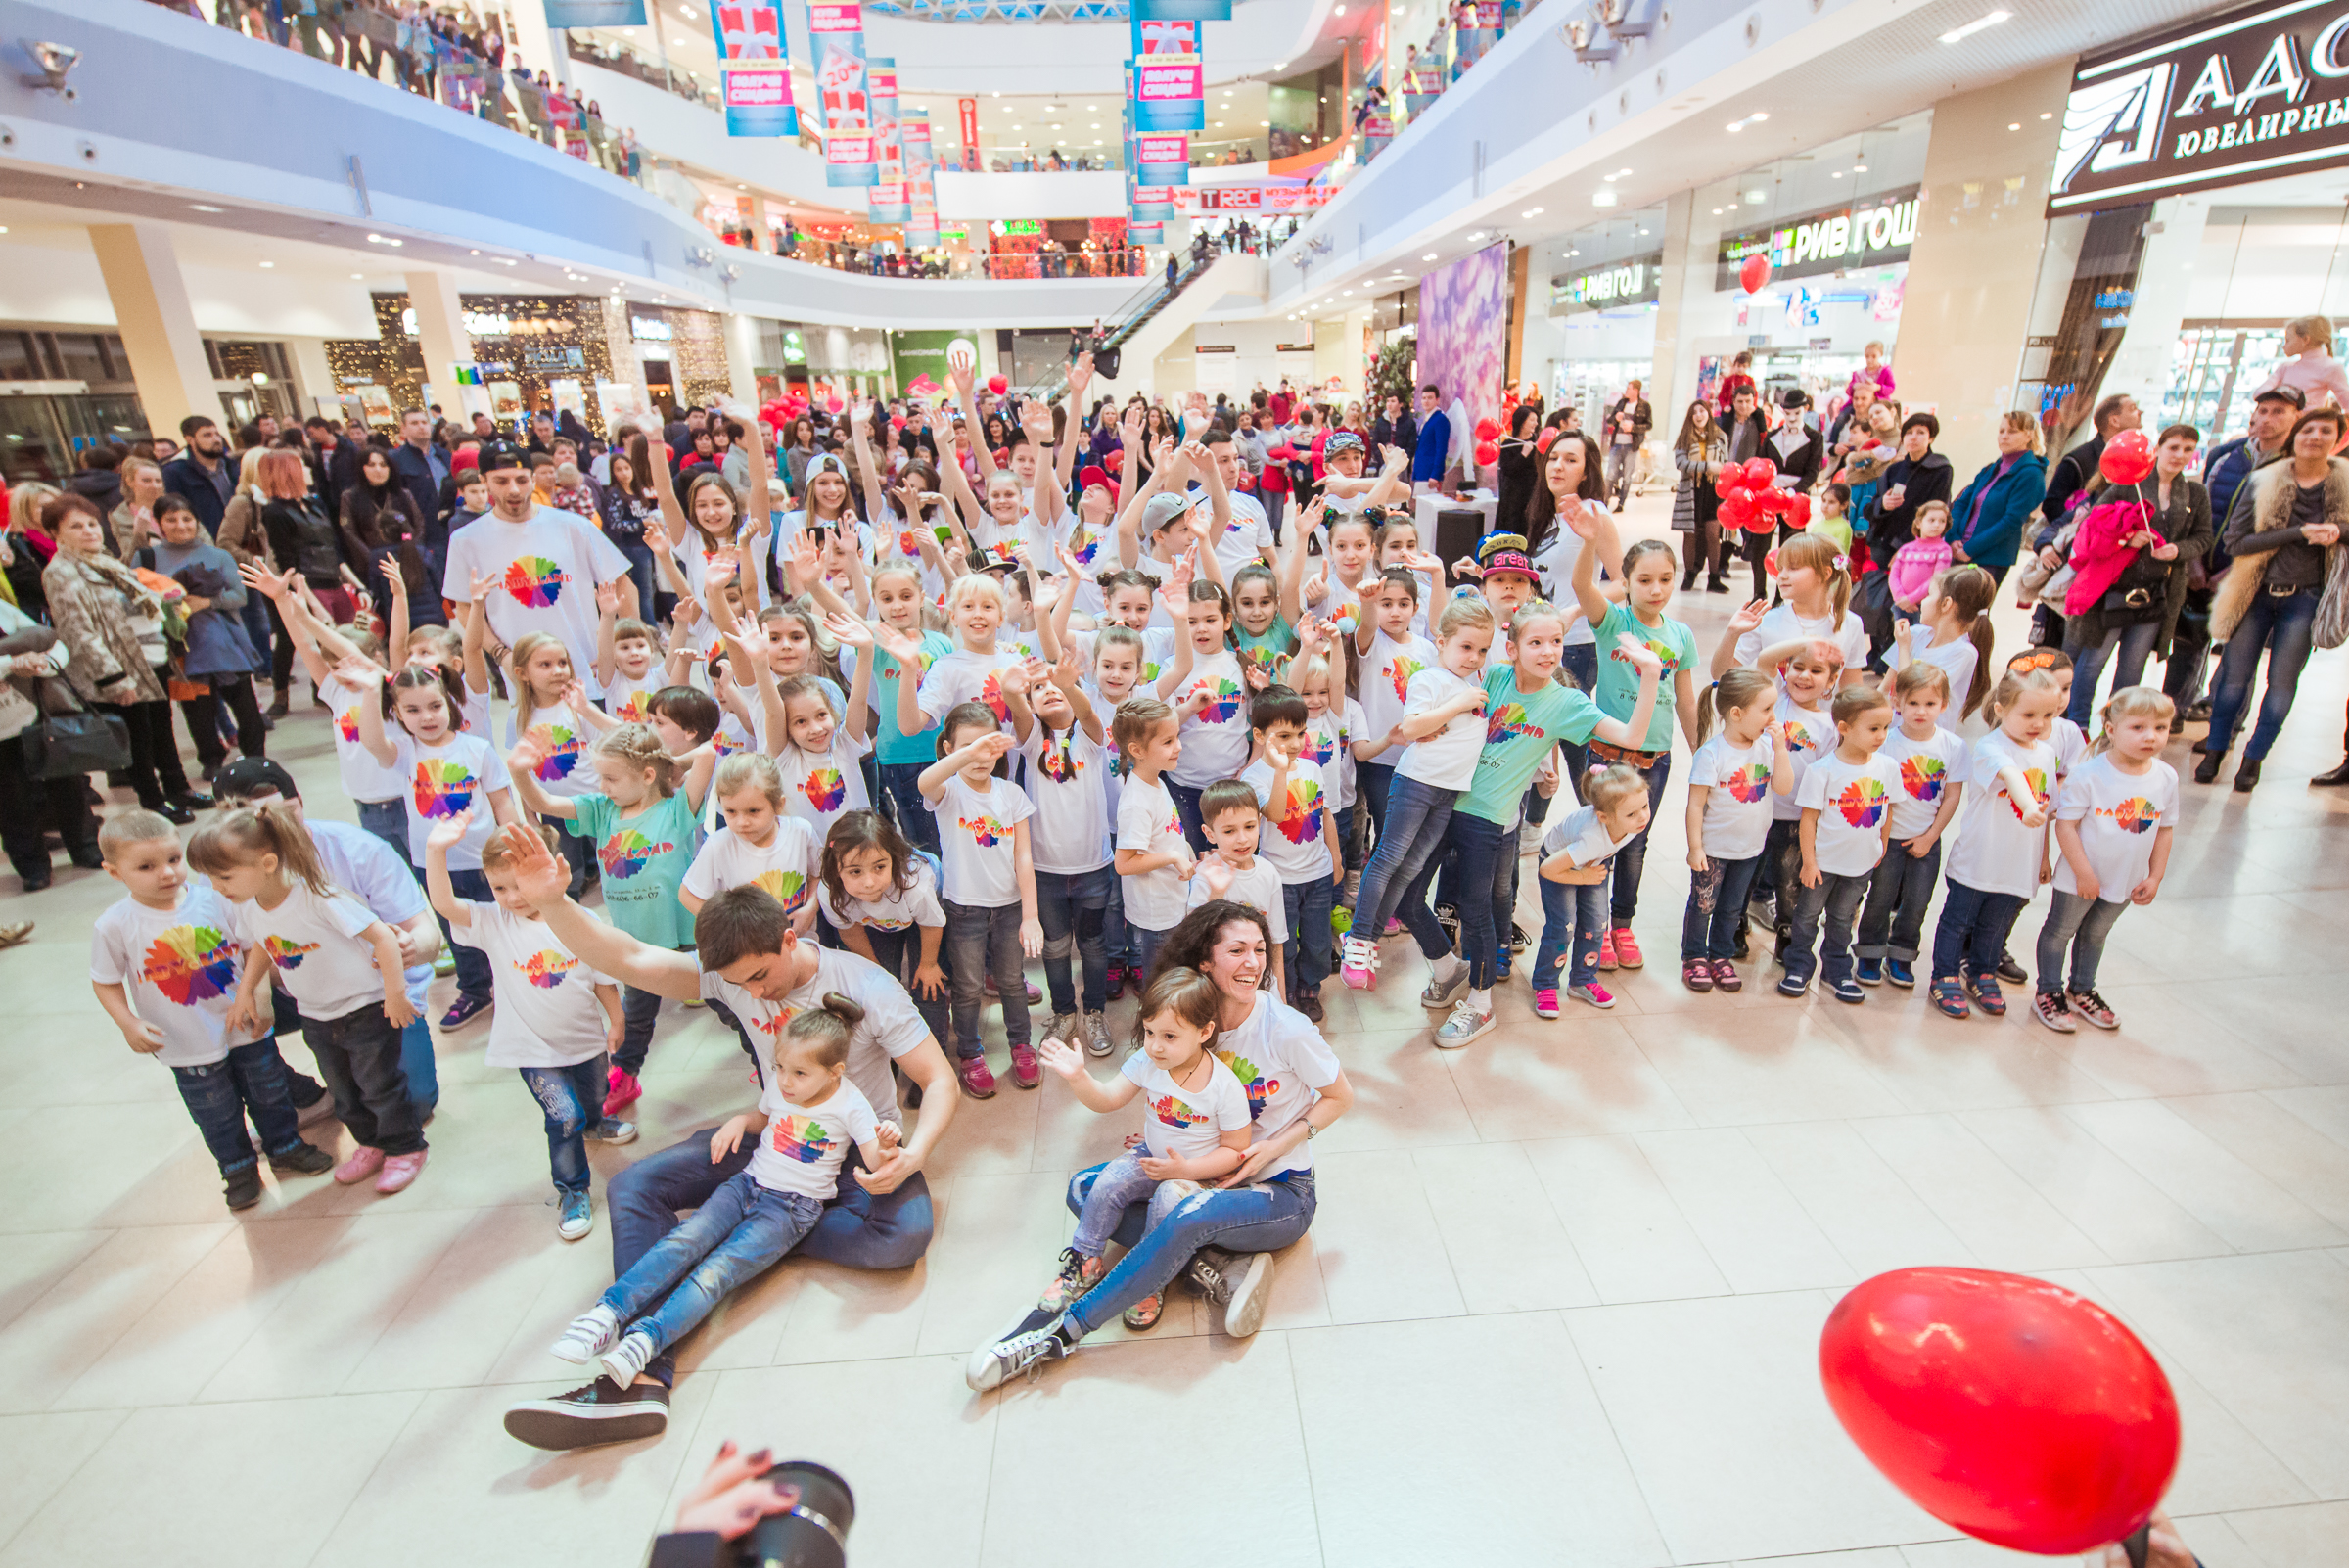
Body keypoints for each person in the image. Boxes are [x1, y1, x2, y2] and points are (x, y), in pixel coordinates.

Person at [495, 828, 956, 1450]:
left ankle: (759, 1238)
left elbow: (938, 1079)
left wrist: (916, 1154)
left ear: (789, 938)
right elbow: (628, 957)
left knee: (904, 1236)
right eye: (742, 984)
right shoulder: (729, 978)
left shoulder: (867, 986)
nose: (755, 993)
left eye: (762, 976)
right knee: (633, 1187)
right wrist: (554, 902)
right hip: (772, 1140)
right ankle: (643, 1376)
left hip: (855, 1145)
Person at [967, 899, 1352, 1390]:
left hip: (1280, 1189)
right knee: (1087, 1190)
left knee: (1182, 1215)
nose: (1253, 962)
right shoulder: (1184, 1022)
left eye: (1259, 949)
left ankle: (1063, 1333)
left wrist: (1275, 1147)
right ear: (1206, 962)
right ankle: (1217, 1262)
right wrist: (1174, 1134)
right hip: (1201, 1171)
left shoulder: (1287, 1030)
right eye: (1237, 950)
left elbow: (1341, 1097)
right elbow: (1150, 1094)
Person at [547, 993, 887, 1388]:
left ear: (834, 1072)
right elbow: (764, 1117)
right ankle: (606, 1314)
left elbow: (875, 1159)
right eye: (779, 1068)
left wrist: (887, 1144)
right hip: (746, 1184)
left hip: (792, 1209)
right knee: (685, 1240)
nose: (785, 1081)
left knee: (715, 1272)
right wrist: (739, 1121)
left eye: (799, 1073)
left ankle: (646, 1340)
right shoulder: (783, 1088)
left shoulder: (851, 1104)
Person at [90, 808, 337, 1211]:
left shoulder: (217, 900)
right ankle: (238, 1169)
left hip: (245, 1026)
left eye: (173, 859)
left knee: (270, 1092)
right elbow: (105, 980)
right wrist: (128, 1022)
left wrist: (256, 996)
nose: (167, 873)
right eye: (146, 867)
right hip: (185, 1041)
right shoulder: (114, 925)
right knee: (215, 1111)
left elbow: (253, 948)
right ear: (115, 873)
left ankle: (286, 1145)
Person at [193, 805, 429, 1192]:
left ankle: (406, 1148)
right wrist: (246, 992)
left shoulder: (319, 896)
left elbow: (384, 938)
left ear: (268, 863)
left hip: (365, 1008)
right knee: (343, 1092)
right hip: (316, 1014)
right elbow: (262, 947)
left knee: (379, 1086)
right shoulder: (249, 906)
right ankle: (371, 1143)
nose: (217, 887)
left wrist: (395, 994)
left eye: (224, 876)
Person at [428, 817, 637, 1238]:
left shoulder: (579, 918)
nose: (511, 897)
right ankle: (573, 1190)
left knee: (594, 1097)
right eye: (499, 888)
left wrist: (617, 1019)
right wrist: (435, 851)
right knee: (563, 1118)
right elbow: (447, 905)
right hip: (531, 1049)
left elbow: (601, 975)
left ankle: (596, 1123)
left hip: (586, 1041)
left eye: (520, 885)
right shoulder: (494, 923)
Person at [209, 756, 444, 1122]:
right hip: (303, 992)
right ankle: (290, 1095)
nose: (275, 831)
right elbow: (251, 945)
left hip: (372, 991)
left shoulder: (358, 850)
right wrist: (258, 996)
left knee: (408, 1104)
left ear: (300, 801)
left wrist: (409, 953)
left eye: (284, 813)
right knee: (207, 1007)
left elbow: (425, 934)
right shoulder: (227, 877)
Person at [1029, 967, 1252, 1327]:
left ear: (1204, 1032)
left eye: (1169, 1036)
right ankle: (1085, 1261)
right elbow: (1108, 1099)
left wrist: (1185, 1171)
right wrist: (1079, 1078)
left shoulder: (1224, 1086)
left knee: (1167, 1199)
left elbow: (1236, 1150)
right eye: (1149, 1032)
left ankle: (1148, 1278)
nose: (1155, 1045)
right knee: (1109, 1180)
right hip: (1153, 1156)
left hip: (1200, 1175)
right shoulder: (1149, 1063)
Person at [2196, 404, 2349, 791]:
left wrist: (2338, 531)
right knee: (2233, 681)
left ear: (2337, 440)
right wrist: (2298, 533)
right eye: (2308, 430)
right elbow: (2236, 542)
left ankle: (2254, 759)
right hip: (2255, 593)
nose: (2315, 437)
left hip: (2306, 599)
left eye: (2326, 431)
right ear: (2295, 437)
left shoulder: (2345, 485)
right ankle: (2215, 750)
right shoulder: (2263, 481)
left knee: (2282, 685)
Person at [41, 495, 208, 821]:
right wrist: (114, 679)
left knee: (162, 729)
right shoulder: (61, 572)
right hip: (121, 667)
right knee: (138, 740)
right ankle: (153, 801)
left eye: (92, 523)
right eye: (76, 526)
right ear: (55, 533)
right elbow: (78, 632)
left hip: (149, 658)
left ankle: (179, 788)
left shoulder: (104, 560)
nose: (89, 531)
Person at [441, 441, 636, 701]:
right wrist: (501, 654)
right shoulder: (466, 540)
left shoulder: (574, 527)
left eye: (521, 480)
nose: (513, 489)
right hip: (526, 689)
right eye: (501, 481)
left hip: (590, 680)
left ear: (533, 480)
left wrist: (626, 648)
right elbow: (465, 608)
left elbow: (622, 584)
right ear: (484, 481)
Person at [2032, 686, 2177, 1035]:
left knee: (2096, 933)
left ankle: (2082, 989)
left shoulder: (2165, 777)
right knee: (2060, 931)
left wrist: (2155, 876)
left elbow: (2165, 829)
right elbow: (2066, 827)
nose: (2151, 737)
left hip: (2126, 879)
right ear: (2111, 729)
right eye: (2138, 728)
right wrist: (2083, 873)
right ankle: (2048, 991)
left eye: (2160, 728)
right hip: (2079, 878)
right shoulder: (2089, 774)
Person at [1928, 663, 2064, 1020]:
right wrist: (2028, 805)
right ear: (2001, 709)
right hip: (1980, 860)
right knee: (1958, 922)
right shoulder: (1991, 747)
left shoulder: (2046, 753)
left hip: (2019, 864)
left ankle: (1983, 972)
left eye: (2048, 715)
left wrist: (2043, 857)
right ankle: (1944, 975)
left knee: (1995, 926)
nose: (2038, 723)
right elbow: (2011, 775)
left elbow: (2046, 813)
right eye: (2029, 714)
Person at [2061, 424, 2210, 729]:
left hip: (2156, 593)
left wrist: (2177, 550)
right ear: (2158, 449)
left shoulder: (2195, 493)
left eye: (2187, 449)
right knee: (2092, 663)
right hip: (2113, 588)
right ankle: (2077, 727)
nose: (2179, 455)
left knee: (2132, 670)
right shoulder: (2130, 485)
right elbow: (2092, 528)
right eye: (2173, 447)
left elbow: (2203, 537)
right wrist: (2127, 540)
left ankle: (2117, 729)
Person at [2187, 386, 2299, 724]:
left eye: (2278, 412)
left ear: (2297, 417)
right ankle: (2179, 706)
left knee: (2239, 655)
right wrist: (2195, 559)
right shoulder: (2226, 456)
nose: (2267, 419)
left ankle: (2225, 720)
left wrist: (2238, 569)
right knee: (2189, 640)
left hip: (2253, 577)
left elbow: (2281, 532)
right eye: (2262, 411)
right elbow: (2202, 510)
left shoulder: (2296, 467)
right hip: (2205, 565)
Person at [1783, 684, 1900, 1004]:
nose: (1881, 736)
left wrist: (1882, 845)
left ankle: (1836, 971)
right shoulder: (1822, 771)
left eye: (1886, 727)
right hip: (1822, 864)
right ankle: (1798, 967)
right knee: (1807, 917)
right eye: (1873, 728)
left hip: (1860, 865)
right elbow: (1808, 820)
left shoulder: (1888, 767)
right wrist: (1809, 862)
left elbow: (1888, 810)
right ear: (1844, 728)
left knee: (1842, 919)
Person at [1680, 669, 1792, 992]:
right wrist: (1695, 847)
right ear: (1737, 713)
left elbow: (1783, 787)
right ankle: (1694, 956)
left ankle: (1720, 955)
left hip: (1751, 849)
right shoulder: (1712, 754)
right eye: (1766, 709)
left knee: (1732, 907)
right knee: (1703, 905)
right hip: (1714, 850)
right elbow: (1695, 804)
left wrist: (1781, 750)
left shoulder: (1766, 748)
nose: (1773, 717)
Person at [1531, 765, 1650, 1013]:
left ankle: (1582, 980)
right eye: (1632, 814)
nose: (1642, 817)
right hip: (1558, 867)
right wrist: (1582, 877)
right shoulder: (1592, 838)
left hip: (1591, 863)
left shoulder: (1631, 825)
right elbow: (1547, 869)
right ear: (1604, 818)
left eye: (1645, 807)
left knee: (1596, 924)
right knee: (1563, 927)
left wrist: (1587, 873)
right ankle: (1545, 984)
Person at [1860, 413, 1956, 663]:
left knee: (1909, 607)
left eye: (1921, 432)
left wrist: (1903, 549)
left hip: (1917, 550)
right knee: (1880, 603)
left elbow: (1935, 511)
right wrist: (1883, 505)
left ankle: (1902, 659)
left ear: (1931, 437)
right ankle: (1878, 654)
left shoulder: (1940, 469)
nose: (1914, 437)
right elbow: (1870, 510)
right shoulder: (1893, 470)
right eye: (1909, 433)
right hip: (1883, 545)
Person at [1947, 411, 2049, 592]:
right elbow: (1962, 503)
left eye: (2012, 431)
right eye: (2001, 431)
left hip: (1990, 558)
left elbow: (2011, 521)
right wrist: (1953, 537)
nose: (2004, 436)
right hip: (1958, 550)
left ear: (2029, 435)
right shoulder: (1992, 468)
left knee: (1970, 608)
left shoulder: (2031, 474)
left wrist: (1970, 549)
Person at [2041, 392, 2141, 527]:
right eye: (2132, 408)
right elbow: (2052, 505)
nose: (2140, 412)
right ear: (2114, 421)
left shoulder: (2135, 461)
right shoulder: (2078, 460)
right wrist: (2081, 530)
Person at [1672, 400, 1729, 592]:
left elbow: (1725, 464)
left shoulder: (1720, 436)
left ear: (1708, 413)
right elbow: (1681, 463)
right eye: (1694, 412)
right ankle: (1689, 575)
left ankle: (1714, 578)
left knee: (1713, 535)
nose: (1698, 415)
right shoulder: (1684, 437)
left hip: (1714, 490)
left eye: (1702, 411)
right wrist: (1706, 466)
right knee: (1690, 534)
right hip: (1691, 490)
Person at [1603, 380, 1651, 510]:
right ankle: (1604, 502)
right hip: (1616, 444)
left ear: (1636, 390)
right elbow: (1610, 420)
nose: (1626, 391)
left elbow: (1648, 425)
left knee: (1627, 476)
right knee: (1610, 474)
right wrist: (1615, 418)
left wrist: (1633, 428)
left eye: (1629, 389)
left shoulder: (1644, 406)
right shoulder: (1621, 403)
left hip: (1631, 446)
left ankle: (1621, 503)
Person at [1411, 383, 1451, 492]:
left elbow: (1441, 449)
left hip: (1430, 476)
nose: (1426, 401)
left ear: (1437, 400)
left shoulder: (1440, 420)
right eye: (1424, 398)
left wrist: (1435, 474)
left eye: (1430, 398)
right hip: (1421, 473)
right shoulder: (1426, 419)